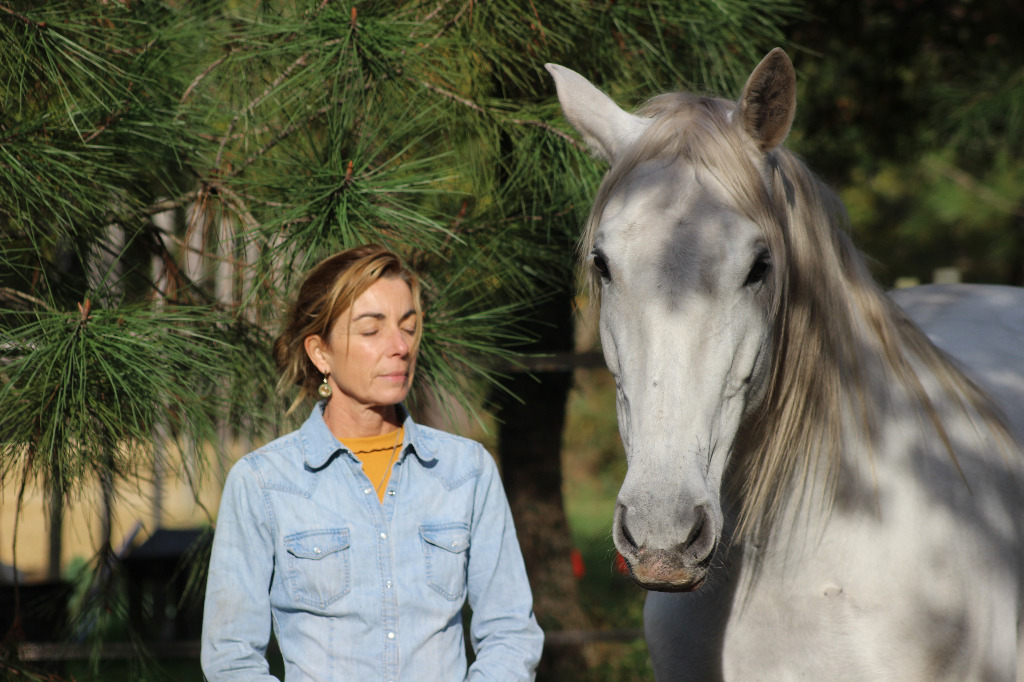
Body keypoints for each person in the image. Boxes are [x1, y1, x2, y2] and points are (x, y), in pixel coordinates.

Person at [201, 245, 544, 681]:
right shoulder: (263, 483)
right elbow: (231, 658)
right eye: (371, 331)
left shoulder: (467, 471)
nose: (400, 347)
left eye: (409, 327)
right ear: (320, 353)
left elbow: (511, 632)